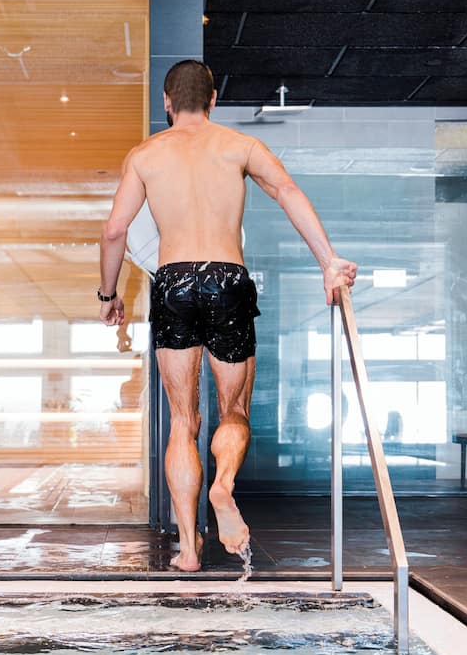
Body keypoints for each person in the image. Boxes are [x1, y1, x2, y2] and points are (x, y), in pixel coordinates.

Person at [98, 60, 357, 571]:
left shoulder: (146, 155)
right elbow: (287, 192)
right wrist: (328, 261)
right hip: (227, 278)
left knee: (181, 421)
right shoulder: (240, 146)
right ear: (213, 99)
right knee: (232, 411)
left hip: (174, 281)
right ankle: (222, 488)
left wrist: (109, 296)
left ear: (166, 103)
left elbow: (114, 231)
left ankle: (190, 551)